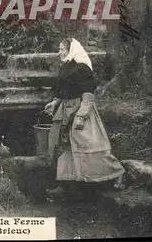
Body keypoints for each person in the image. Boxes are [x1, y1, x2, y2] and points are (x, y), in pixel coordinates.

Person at [44, 37, 124, 195]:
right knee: (63, 147)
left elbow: (88, 95)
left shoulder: (82, 68)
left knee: (88, 145)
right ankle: (65, 184)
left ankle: (117, 174)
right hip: (64, 111)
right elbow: (62, 90)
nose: (59, 52)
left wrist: (81, 115)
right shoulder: (66, 67)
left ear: (71, 50)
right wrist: (55, 102)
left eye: (62, 49)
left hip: (79, 110)